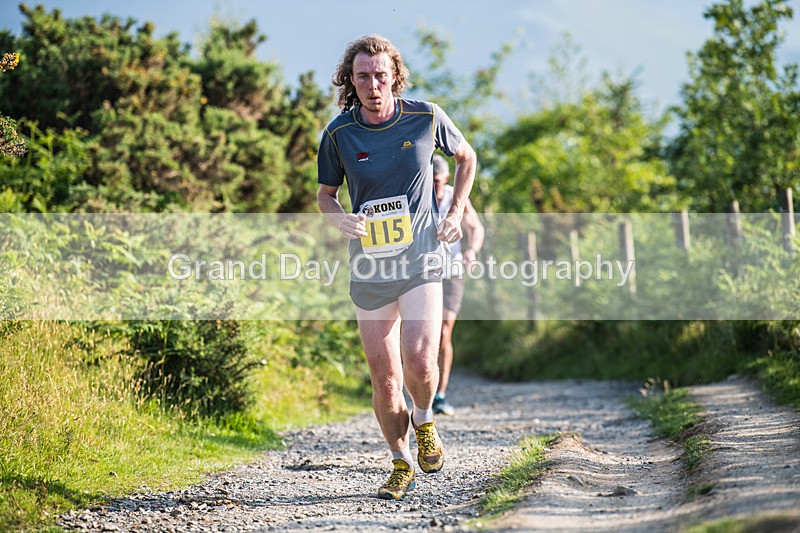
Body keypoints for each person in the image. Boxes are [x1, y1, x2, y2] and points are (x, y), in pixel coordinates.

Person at [316, 34, 477, 500]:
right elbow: (324, 195)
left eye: (380, 75)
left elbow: (466, 157)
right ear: (350, 79)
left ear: (395, 77)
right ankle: (400, 460)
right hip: (370, 267)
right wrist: (340, 218)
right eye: (362, 76)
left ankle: (425, 421)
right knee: (384, 378)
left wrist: (454, 212)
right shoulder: (339, 134)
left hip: (421, 258)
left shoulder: (427, 116)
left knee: (421, 359)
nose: (372, 85)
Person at [431, 154, 484, 416]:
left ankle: (439, 395)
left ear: (447, 178)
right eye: (430, 182)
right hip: (422, 272)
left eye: (438, 181)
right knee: (419, 333)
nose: (435, 187)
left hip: (452, 270)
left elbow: (477, 228)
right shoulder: (417, 195)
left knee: (442, 333)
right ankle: (421, 390)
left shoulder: (455, 196)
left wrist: (471, 252)